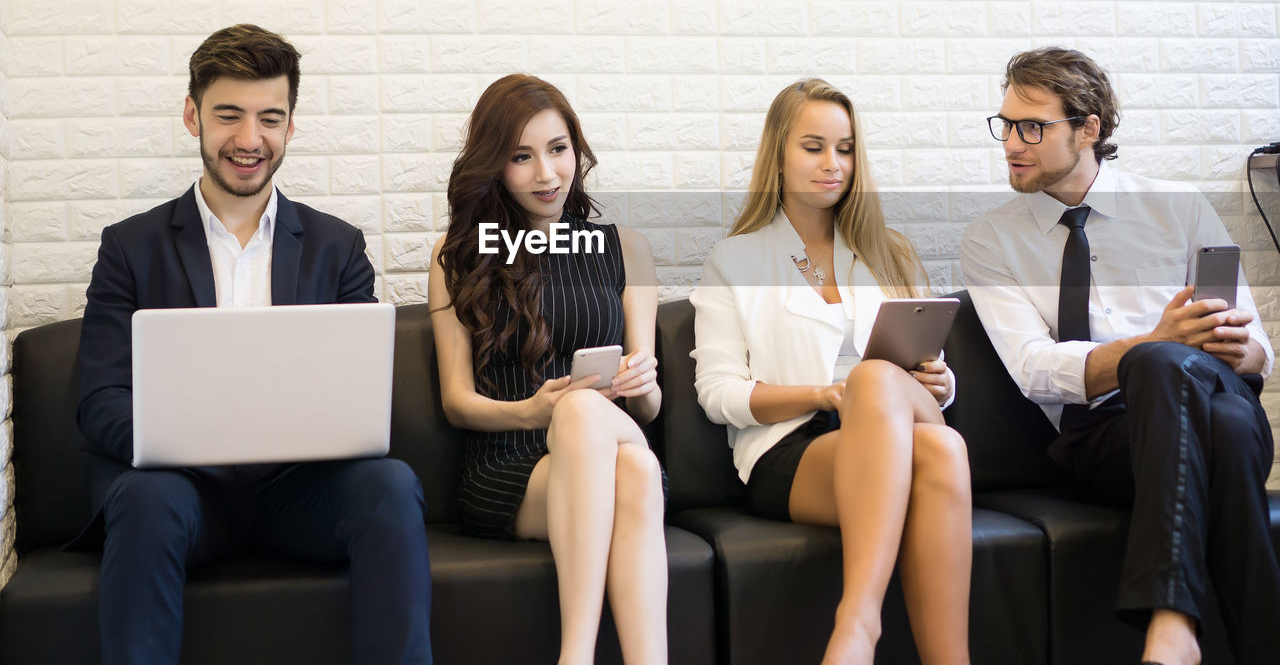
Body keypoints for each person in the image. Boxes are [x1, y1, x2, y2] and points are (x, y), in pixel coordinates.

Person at [75, 24, 433, 665]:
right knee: (147, 495)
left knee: (391, 484)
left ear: (291, 126)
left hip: (299, 493)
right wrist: (186, 440)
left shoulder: (337, 246)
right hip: (181, 494)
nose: (249, 139)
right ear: (193, 117)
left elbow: (358, 390)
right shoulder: (129, 247)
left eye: (270, 118)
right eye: (228, 115)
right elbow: (99, 397)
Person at [960, 46, 1279, 665]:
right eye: (1006, 125)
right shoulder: (991, 239)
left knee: (1218, 403)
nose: (1011, 143)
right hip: (1106, 438)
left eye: (1033, 127)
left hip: (1214, 394)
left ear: (1088, 130)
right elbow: (1032, 370)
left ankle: (1171, 624)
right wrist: (1152, 345)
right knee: (1219, 417)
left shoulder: (1178, 208)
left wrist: (1242, 348)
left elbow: (1260, 352)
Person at [690, 79, 971, 665]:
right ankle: (874, 630)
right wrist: (824, 394)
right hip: (791, 449)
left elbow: (924, 369)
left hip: (892, 420)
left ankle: (857, 626)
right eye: (813, 146)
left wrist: (941, 384)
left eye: (844, 149)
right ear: (779, 155)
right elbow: (719, 394)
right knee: (942, 453)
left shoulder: (886, 252)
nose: (832, 164)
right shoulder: (736, 259)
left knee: (883, 386)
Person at [428, 74, 667, 665]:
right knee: (634, 470)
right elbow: (457, 400)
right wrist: (532, 409)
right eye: (521, 157)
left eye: (558, 150)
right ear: (494, 166)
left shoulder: (625, 248)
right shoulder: (458, 255)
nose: (546, 175)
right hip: (510, 467)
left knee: (599, 422)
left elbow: (649, 407)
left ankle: (575, 657)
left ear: (576, 151)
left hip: (608, 444)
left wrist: (643, 384)